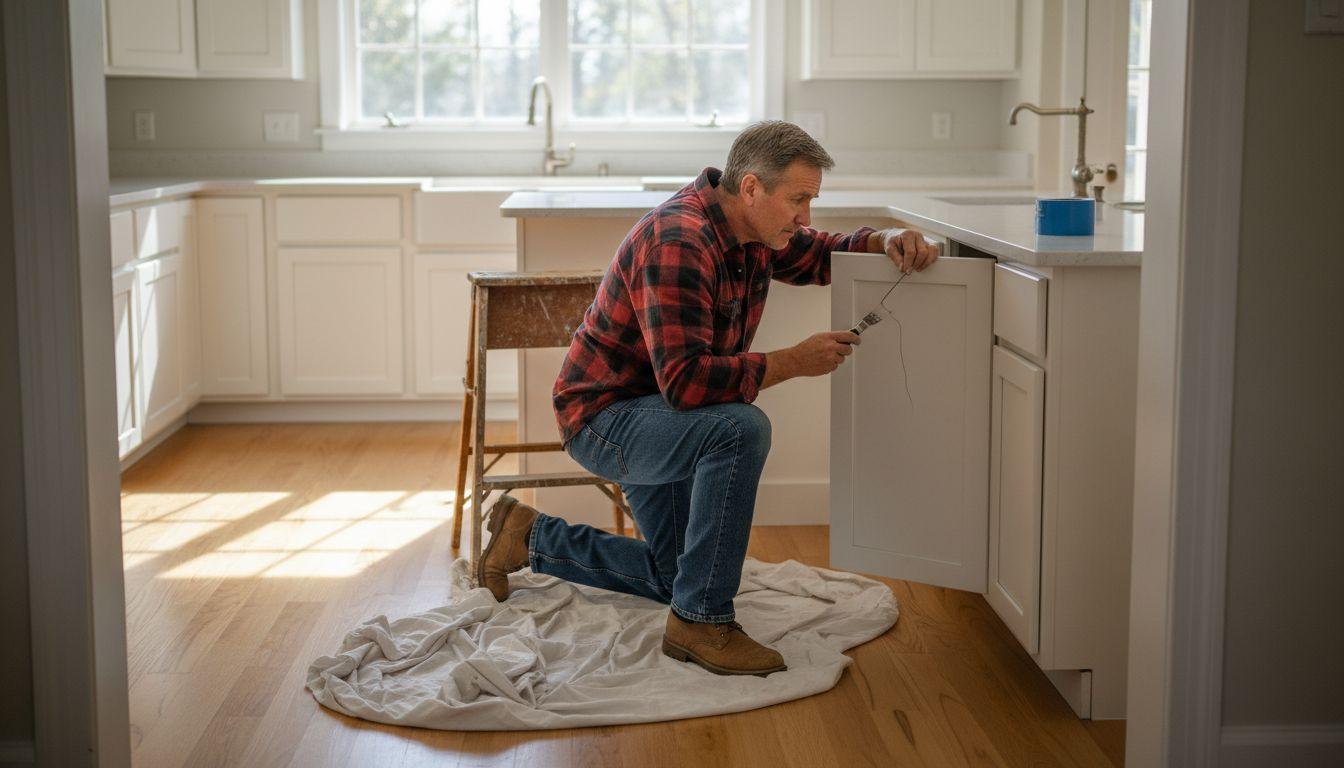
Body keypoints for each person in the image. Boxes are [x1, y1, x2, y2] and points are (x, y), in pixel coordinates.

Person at [476, 120, 938, 677]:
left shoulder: (754, 233)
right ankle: (702, 623)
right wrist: (792, 362)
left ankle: (529, 536)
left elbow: (821, 252)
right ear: (750, 188)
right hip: (605, 420)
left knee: (677, 577)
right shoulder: (680, 241)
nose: (805, 218)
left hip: (665, 417)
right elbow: (687, 382)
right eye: (798, 200)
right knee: (741, 427)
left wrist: (882, 240)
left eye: (811, 201)